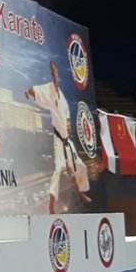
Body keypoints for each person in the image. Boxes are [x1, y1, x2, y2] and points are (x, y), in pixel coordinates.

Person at [25, 61, 91, 214]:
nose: (54, 75)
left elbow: (67, 120)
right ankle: (51, 205)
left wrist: (68, 126)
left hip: (67, 141)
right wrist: (29, 92)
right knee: (58, 170)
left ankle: (81, 193)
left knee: (80, 166)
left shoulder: (63, 100)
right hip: (59, 141)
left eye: (55, 72)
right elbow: (36, 90)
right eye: (53, 73)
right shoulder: (52, 93)